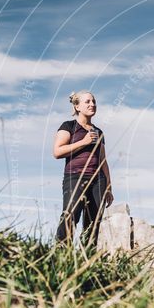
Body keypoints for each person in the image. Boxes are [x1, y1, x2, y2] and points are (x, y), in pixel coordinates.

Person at [53, 90, 114, 246]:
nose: (92, 104)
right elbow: (57, 152)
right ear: (77, 106)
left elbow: (103, 161)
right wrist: (84, 142)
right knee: (70, 216)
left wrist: (108, 187)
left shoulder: (99, 132)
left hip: (98, 181)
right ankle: (60, 256)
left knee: (93, 223)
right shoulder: (68, 126)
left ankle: (87, 260)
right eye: (87, 101)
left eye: (93, 101)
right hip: (75, 177)